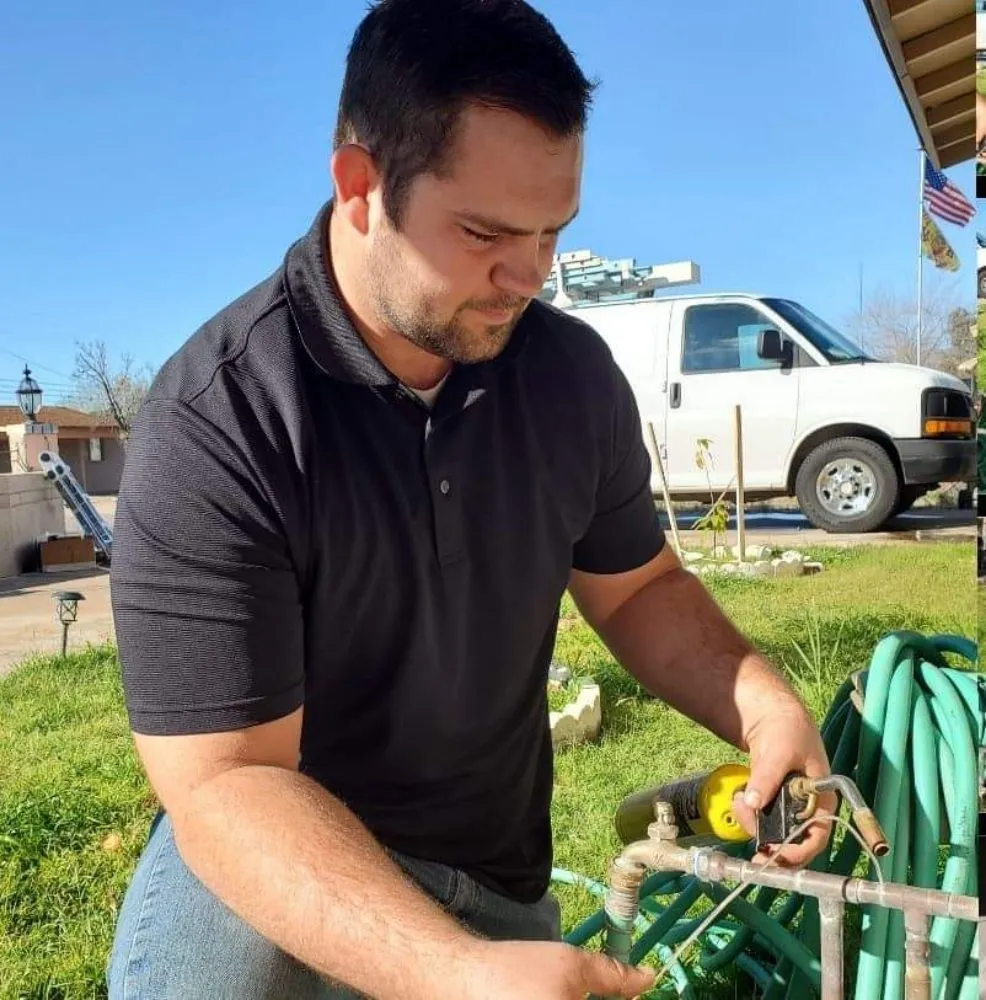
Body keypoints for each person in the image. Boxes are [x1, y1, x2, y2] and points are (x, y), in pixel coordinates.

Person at [106, 1, 835, 997]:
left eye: (552, 233)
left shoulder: (567, 373)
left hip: (493, 877)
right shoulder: (220, 418)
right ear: (360, 188)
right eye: (485, 231)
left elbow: (634, 589)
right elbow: (225, 783)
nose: (527, 276)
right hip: (272, 870)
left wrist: (761, 698)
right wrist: (450, 971)